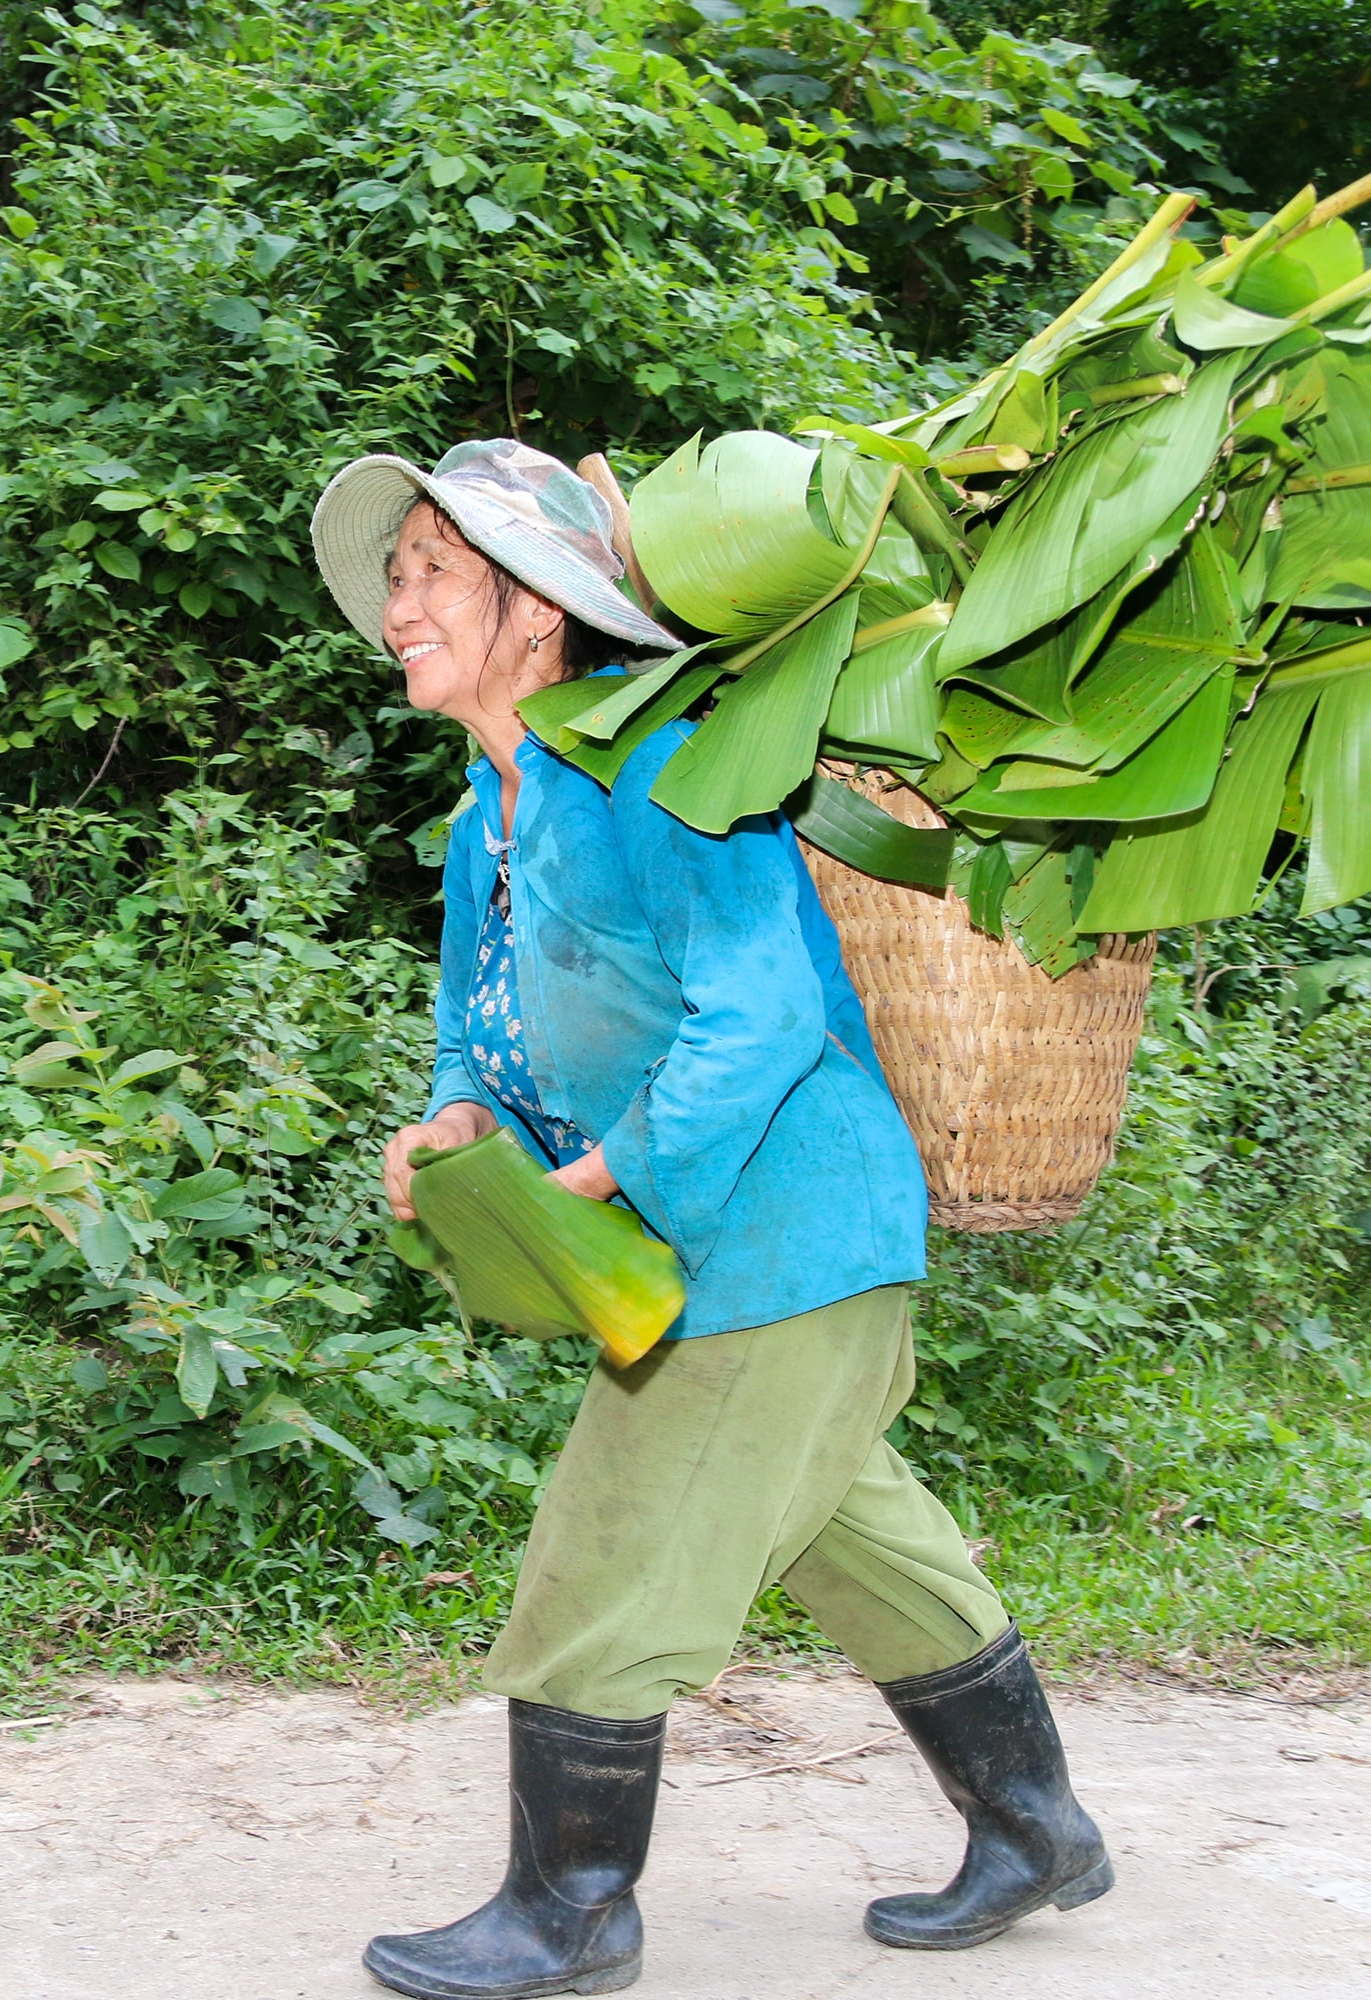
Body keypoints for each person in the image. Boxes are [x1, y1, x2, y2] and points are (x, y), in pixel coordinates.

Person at [312, 440, 1112, 2000]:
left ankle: (574, 1913)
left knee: (614, 1546)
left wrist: (598, 1175)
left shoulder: (667, 770)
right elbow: (480, 1033)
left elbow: (750, 1018)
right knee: (856, 1538)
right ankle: (1038, 1829)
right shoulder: (495, 812)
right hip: (722, 1238)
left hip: (782, 1224)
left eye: (433, 569)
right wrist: (461, 1117)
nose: (400, 601)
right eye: (396, 573)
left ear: (538, 614)